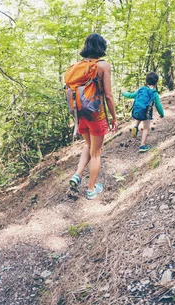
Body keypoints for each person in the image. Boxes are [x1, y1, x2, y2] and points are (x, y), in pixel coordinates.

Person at [66, 34, 118, 200]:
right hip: (96, 114)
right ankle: (91, 189)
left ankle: (77, 174)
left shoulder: (78, 66)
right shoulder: (103, 66)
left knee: (88, 145)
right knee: (96, 152)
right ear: (101, 47)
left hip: (80, 115)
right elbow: (108, 96)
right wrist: (114, 118)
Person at [122, 72, 164, 152]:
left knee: (140, 114)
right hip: (147, 113)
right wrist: (161, 114)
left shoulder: (141, 89)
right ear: (156, 82)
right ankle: (142, 146)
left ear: (146, 81)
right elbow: (158, 105)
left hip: (137, 112)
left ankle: (135, 127)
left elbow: (131, 95)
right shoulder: (154, 93)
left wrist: (124, 93)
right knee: (146, 128)